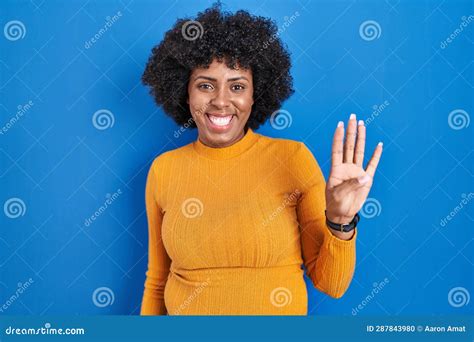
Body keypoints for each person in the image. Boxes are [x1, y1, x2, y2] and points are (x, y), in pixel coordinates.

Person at [139, 3, 382, 315]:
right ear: (185, 93)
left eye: (237, 86)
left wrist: (341, 220)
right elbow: (157, 282)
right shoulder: (165, 169)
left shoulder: (292, 158)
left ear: (256, 94)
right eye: (205, 85)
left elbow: (331, 285)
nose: (221, 101)